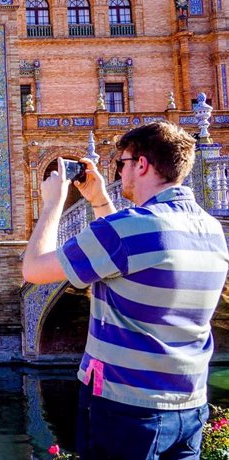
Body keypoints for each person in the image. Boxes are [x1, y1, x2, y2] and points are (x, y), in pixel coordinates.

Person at [22, 121, 229, 460]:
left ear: (142, 164)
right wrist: (101, 201)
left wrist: (52, 204)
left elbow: (33, 268)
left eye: (122, 163)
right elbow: (133, 259)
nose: (119, 173)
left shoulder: (124, 231)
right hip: (189, 407)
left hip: (125, 409)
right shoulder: (209, 229)